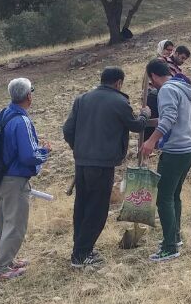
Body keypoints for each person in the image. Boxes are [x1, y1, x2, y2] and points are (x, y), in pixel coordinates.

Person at [62, 67, 148, 269]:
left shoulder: (82, 99)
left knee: (82, 206)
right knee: (97, 210)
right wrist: (145, 115)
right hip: (102, 164)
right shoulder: (119, 102)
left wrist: (80, 149)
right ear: (119, 83)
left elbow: (67, 129)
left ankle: (81, 248)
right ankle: (81, 255)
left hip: (82, 163)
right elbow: (136, 126)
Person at [0, 78, 50, 280]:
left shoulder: (2, 114)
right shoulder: (22, 121)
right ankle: (1, 268)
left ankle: (7, 259)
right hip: (15, 179)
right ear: (28, 96)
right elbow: (28, 155)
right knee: (16, 224)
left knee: (3, 221)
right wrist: (44, 152)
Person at [141, 59, 191, 263]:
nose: (152, 85)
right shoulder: (182, 87)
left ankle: (169, 247)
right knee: (174, 195)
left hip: (175, 150)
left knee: (163, 197)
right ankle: (175, 236)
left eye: (151, 81)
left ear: (154, 76)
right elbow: (173, 117)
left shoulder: (166, 90)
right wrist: (146, 121)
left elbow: (169, 118)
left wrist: (151, 141)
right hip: (189, 148)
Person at [141, 40, 175, 124]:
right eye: (167, 49)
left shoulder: (170, 62)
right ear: (161, 48)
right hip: (154, 95)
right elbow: (147, 81)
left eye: (171, 50)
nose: (169, 52)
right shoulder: (155, 62)